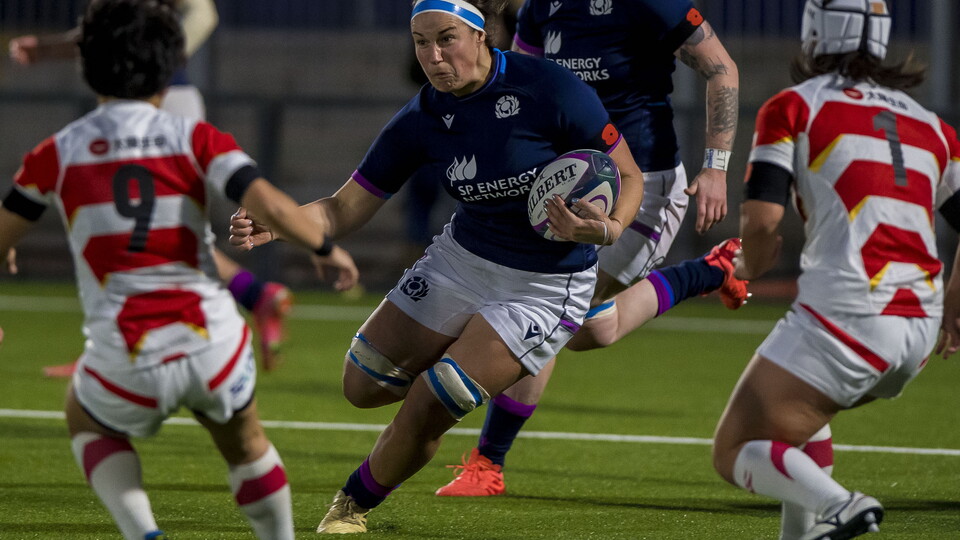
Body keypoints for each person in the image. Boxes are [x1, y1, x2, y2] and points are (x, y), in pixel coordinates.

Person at [0, 1, 347, 537]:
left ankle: (144, 532)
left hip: (127, 356)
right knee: (246, 443)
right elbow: (274, 207)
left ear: (87, 68)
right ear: (168, 70)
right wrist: (325, 248)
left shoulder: (55, 154)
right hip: (213, 344)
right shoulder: (197, 139)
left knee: (83, 415)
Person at [435, 0, 743, 497]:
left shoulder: (651, 3)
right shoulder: (542, 7)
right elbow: (522, 82)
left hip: (643, 187)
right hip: (566, 184)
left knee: (551, 313)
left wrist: (716, 168)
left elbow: (721, 68)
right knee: (593, 329)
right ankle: (711, 270)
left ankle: (488, 463)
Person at [710, 1, 960, 539]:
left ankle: (841, 506)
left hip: (848, 318)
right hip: (917, 333)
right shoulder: (934, 127)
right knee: (799, 418)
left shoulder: (793, 106)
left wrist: (749, 266)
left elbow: (762, 219)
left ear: (814, 31)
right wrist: (954, 307)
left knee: (733, 448)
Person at [7, 0, 356, 374]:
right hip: (158, 96)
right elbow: (110, 32)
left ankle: (124, 342)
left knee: (139, 232)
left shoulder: (60, 150)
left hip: (160, 99)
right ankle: (254, 298)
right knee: (160, 232)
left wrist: (157, 58)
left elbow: (201, 13)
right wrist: (47, 49)